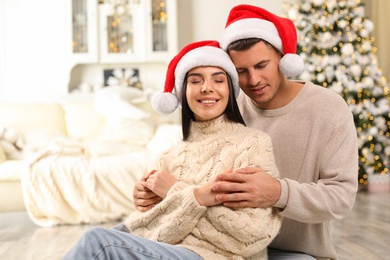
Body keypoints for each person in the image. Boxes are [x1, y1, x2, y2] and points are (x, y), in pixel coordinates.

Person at [63, 40, 282, 260]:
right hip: (170, 253)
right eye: (196, 81)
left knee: (98, 242)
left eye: (218, 80)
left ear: (230, 90)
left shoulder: (252, 144)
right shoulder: (169, 158)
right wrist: (197, 198)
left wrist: (176, 193)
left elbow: (252, 235)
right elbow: (154, 233)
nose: (207, 87)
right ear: (183, 92)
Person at [213, 4, 358, 260]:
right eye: (241, 71)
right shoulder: (228, 110)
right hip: (228, 248)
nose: (253, 80)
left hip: (296, 253)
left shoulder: (328, 108)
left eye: (261, 65)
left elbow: (341, 197)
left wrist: (278, 193)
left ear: (283, 57)